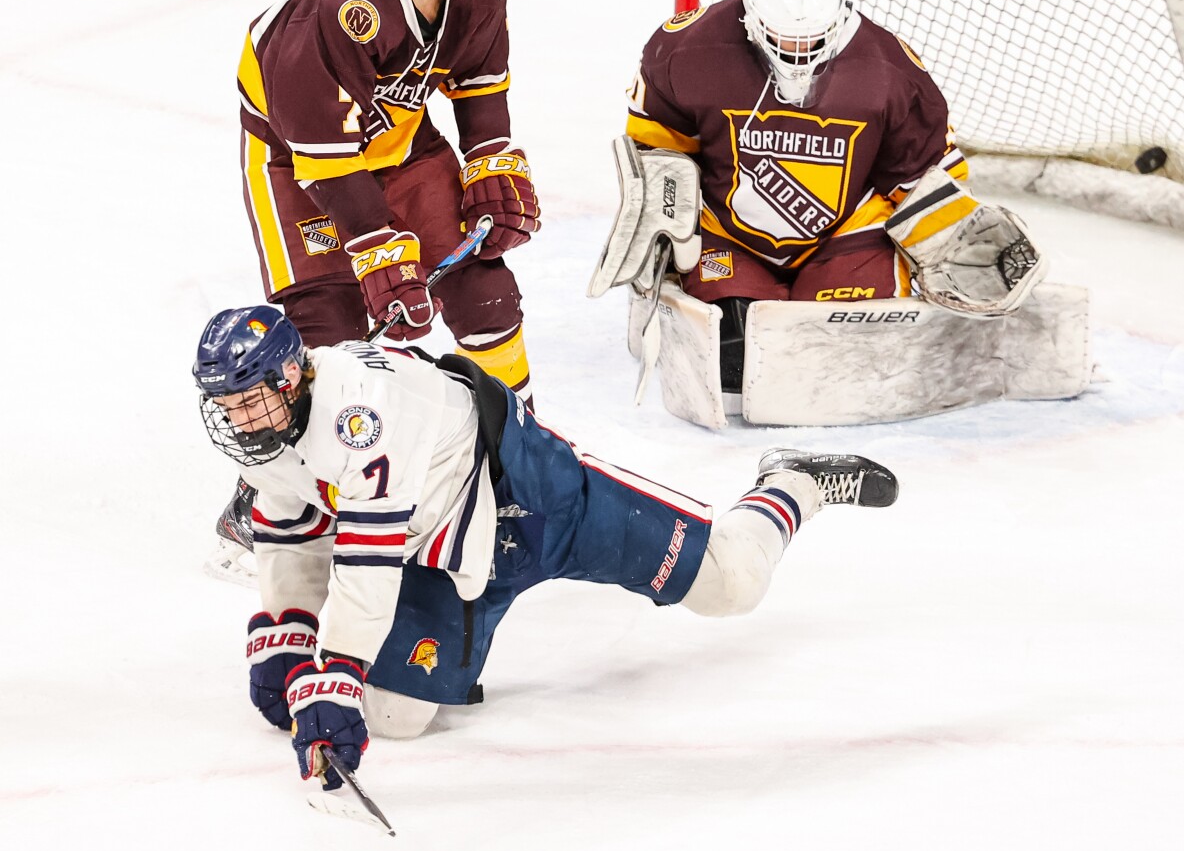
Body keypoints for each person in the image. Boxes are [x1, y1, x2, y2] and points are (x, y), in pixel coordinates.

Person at [193, 305, 897, 785]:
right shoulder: (269, 432)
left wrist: (335, 667)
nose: (239, 419)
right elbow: (289, 536)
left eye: (249, 399)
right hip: (444, 557)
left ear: (293, 374)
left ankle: (791, 483)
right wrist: (289, 630)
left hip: (535, 496)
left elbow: (365, 560)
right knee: (393, 718)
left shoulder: (357, 414)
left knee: (732, 583)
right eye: (225, 406)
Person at [218, 0, 542, 562]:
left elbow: (482, 86)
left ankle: (518, 455)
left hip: (395, 140)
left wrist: (491, 159)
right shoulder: (339, 10)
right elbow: (325, 161)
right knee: (327, 336)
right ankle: (268, 501)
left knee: (484, 285)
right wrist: (378, 249)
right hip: (294, 159)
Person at [595, 0, 1045, 401]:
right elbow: (659, 148)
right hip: (730, 233)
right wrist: (664, 215)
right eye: (781, 36)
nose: (796, 50)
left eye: (811, 37)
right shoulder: (689, 49)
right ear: (750, 15)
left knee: (835, 354)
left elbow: (919, 174)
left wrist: (951, 234)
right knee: (735, 356)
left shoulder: (888, 69)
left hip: (847, 233)